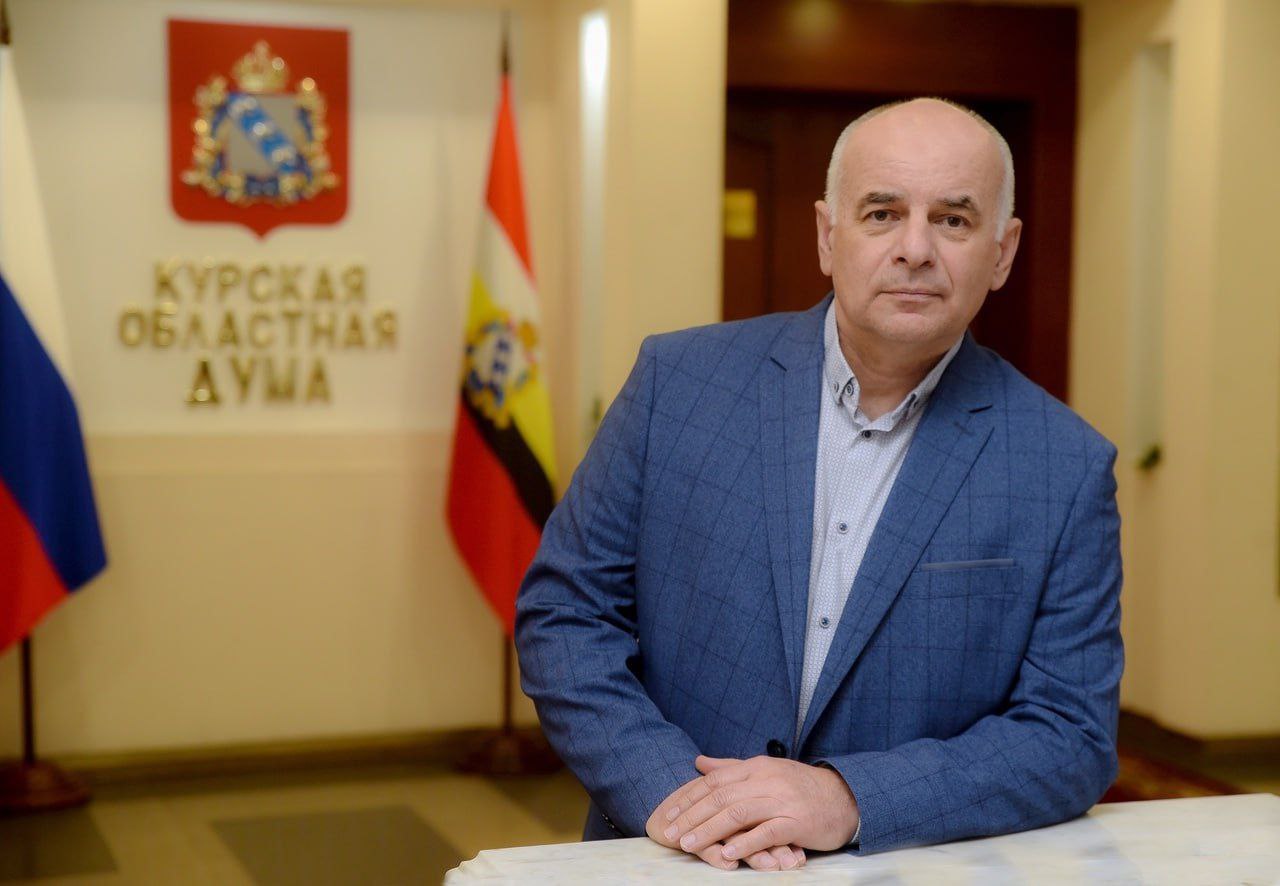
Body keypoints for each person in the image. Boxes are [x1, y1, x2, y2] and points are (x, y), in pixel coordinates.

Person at [515, 97, 1123, 872]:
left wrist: (851, 798)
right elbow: (566, 617)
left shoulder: (1064, 465)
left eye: (953, 220)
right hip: (669, 857)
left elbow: (1070, 734)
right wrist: (680, 798)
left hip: (897, 866)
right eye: (881, 213)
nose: (914, 249)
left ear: (1002, 253)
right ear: (827, 235)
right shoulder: (678, 385)